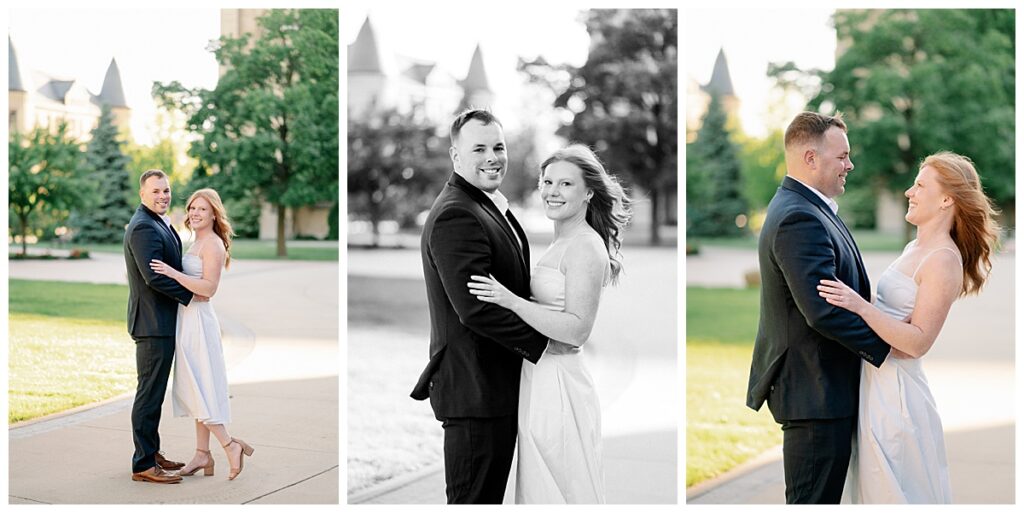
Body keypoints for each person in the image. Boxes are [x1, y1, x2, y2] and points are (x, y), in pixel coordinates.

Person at [817, 152, 999, 503]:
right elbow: (895, 326)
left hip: (897, 397)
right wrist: (882, 321)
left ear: (947, 199)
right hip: (875, 386)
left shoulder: (943, 259)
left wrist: (860, 307)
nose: (908, 192)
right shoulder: (915, 247)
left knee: (894, 494)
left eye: (919, 185)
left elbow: (917, 343)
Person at [468, 144, 631, 504]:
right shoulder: (563, 240)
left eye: (565, 184)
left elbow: (576, 330)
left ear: (589, 191)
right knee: (541, 490)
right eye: (547, 182)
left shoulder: (586, 247)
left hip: (560, 384)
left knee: (562, 490)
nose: (552, 191)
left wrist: (510, 301)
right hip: (538, 377)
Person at [746, 112, 891, 503]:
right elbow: (823, 310)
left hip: (824, 391)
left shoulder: (811, 208)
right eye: (842, 156)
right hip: (815, 396)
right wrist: (890, 348)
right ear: (811, 158)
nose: (850, 164)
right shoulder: (799, 217)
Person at [412, 109, 549, 504]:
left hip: (493, 390)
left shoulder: (484, 205)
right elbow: (474, 308)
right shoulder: (457, 213)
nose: (493, 156)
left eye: (499, 147)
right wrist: (543, 344)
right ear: (456, 157)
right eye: (480, 149)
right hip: (476, 393)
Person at [150, 188, 254, 481]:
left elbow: (208, 289)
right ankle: (202, 454)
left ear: (214, 215)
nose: (195, 213)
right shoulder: (196, 242)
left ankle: (229, 445)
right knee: (197, 386)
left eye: (202, 209)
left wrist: (173, 274)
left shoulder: (214, 245)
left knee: (201, 387)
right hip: (187, 319)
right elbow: (197, 289)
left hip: (199, 323)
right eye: (192, 208)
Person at [124, 169, 194, 484]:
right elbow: (154, 276)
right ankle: (143, 463)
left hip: (161, 322)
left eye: (166, 190)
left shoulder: (157, 222)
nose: (162, 196)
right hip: (152, 324)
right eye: (156, 191)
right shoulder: (143, 227)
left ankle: (152, 453)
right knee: (149, 396)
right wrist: (192, 295)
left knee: (154, 395)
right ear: (143, 194)